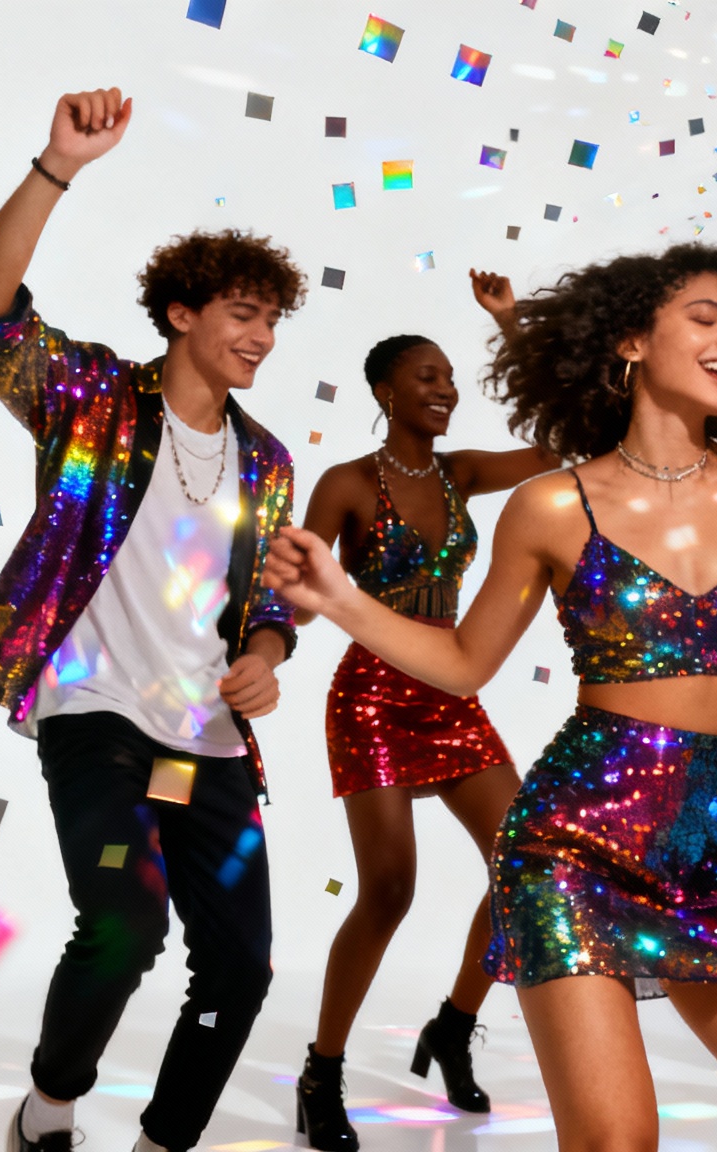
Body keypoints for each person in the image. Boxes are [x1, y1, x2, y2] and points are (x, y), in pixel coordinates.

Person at [263, 242, 717, 1151]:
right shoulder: (552, 506)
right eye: (707, 318)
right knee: (618, 1144)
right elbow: (466, 664)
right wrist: (341, 600)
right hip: (570, 850)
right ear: (630, 341)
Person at [0, 89, 305, 1152]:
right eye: (243, 312)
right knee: (124, 920)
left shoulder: (270, 461)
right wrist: (56, 167)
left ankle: (165, 1142)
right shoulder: (93, 397)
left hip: (204, 737)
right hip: (94, 715)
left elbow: (270, 600)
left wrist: (267, 656)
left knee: (240, 964)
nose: (263, 336)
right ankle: (49, 1108)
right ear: (183, 314)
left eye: (273, 318)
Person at [289, 271, 562, 1147]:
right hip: (370, 700)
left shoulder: (464, 473)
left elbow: (563, 441)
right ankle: (320, 1069)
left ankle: (451, 1025)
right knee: (389, 891)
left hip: (450, 691)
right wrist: (266, 615)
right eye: (426, 378)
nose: (445, 390)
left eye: (451, 377)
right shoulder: (344, 481)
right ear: (385, 393)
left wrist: (514, 325)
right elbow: (298, 595)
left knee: (525, 866)